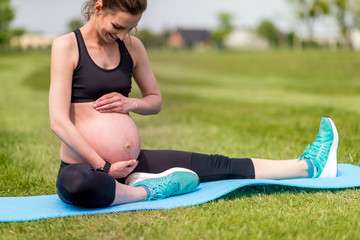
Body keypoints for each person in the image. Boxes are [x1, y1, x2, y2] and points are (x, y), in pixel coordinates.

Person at [49, 0, 339, 208]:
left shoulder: (132, 48)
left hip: (133, 162)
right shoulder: (67, 46)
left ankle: (309, 165)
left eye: (130, 28)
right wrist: (103, 167)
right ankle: (147, 191)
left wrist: (130, 103)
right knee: (81, 186)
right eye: (118, 26)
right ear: (99, 6)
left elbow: (155, 101)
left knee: (216, 164)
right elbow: (58, 121)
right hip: (85, 166)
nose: (122, 35)